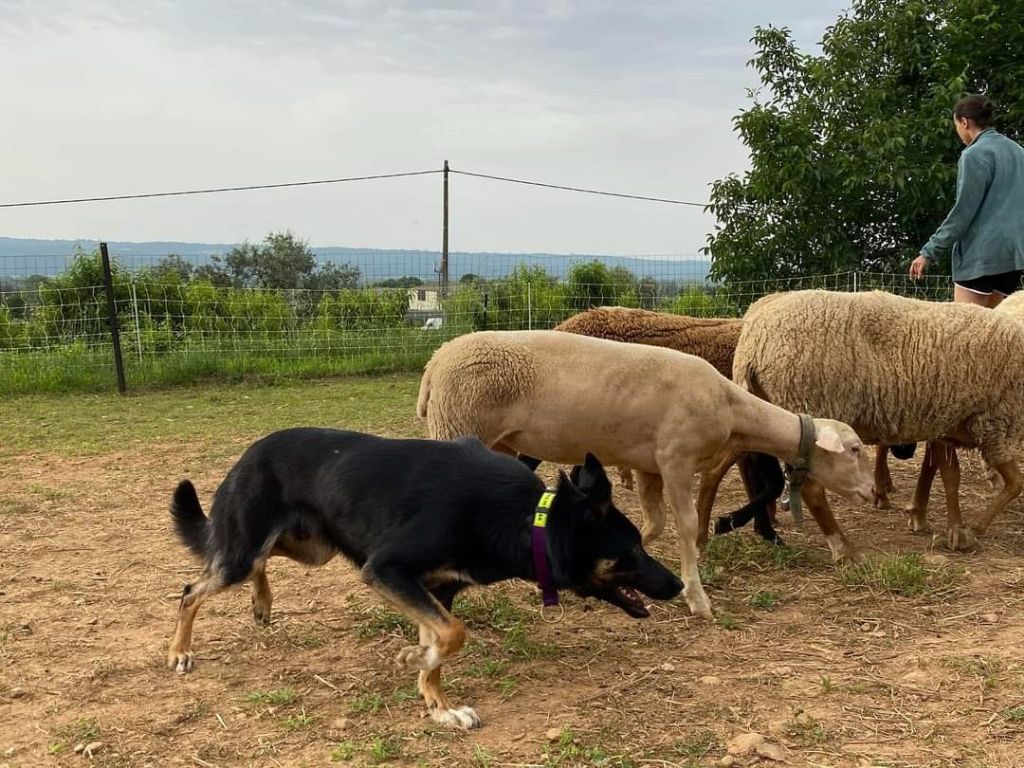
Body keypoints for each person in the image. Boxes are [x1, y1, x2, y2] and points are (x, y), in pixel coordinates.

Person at [909, 94, 1024, 307]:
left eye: (957, 126)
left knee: (964, 335)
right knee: (994, 333)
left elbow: (963, 212)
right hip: (1013, 257)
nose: (958, 133)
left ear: (964, 121)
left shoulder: (974, 154)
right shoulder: (1019, 152)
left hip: (980, 258)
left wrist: (929, 252)